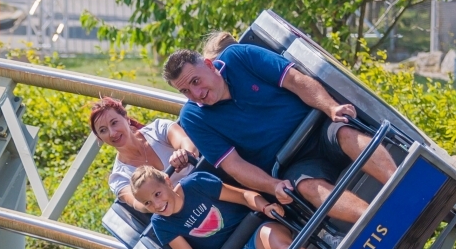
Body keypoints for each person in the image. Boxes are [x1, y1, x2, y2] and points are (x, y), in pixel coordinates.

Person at [162, 42, 396, 226]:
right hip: (291, 163)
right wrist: (272, 185)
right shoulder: (193, 117)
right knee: (306, 187)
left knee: (345, 132)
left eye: (196, 81)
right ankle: (379, 221)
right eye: (186, 91)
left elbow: (295, 81)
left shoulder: (239, 57)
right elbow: (234, 165)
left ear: (209, 65)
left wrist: (331, 107)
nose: (196, 93)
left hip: (317, 129)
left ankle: (398, 184)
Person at [126, 165, 283, 249]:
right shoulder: (161, 223)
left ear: (167, 181)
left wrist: (265, 207)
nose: (157, 205)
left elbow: (244, 196)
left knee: (282, 248)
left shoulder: (195, 183)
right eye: (148, 203)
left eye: (157, 194)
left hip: (256, 231)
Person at [89, 96, 200, 205]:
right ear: (100, 137)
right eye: (103, 130)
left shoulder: (158, 129)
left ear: (126, 119)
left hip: (201, 182)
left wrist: (183, 154)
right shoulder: (119, 177)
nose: (112, 133)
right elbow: (137, 203)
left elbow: (186, 143)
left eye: (114, 123)